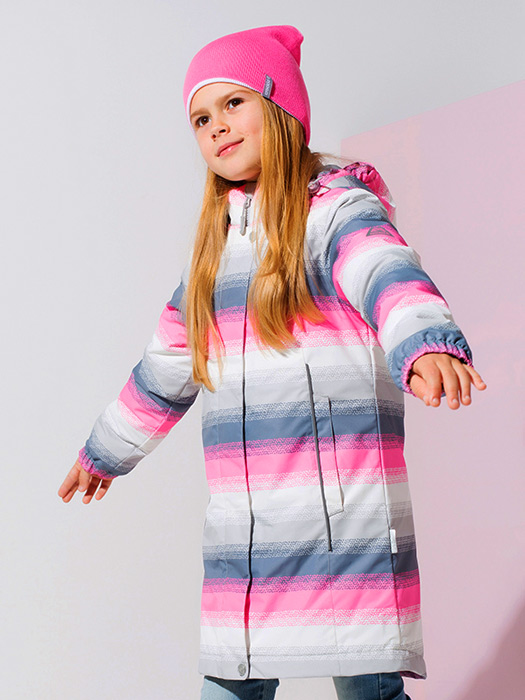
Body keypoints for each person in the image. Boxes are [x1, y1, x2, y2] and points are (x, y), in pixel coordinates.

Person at [58, 25, 486, 700]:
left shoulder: (335, 210)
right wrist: (103, 451)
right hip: (248, 534)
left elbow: (383, 269)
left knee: (367, 686)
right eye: (201, 118)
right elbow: (165, 366)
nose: (217, 127)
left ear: (280, 107)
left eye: (234, 103)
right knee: (230, 686)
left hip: (343, 517)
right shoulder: (214, 255)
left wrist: (425, 340)